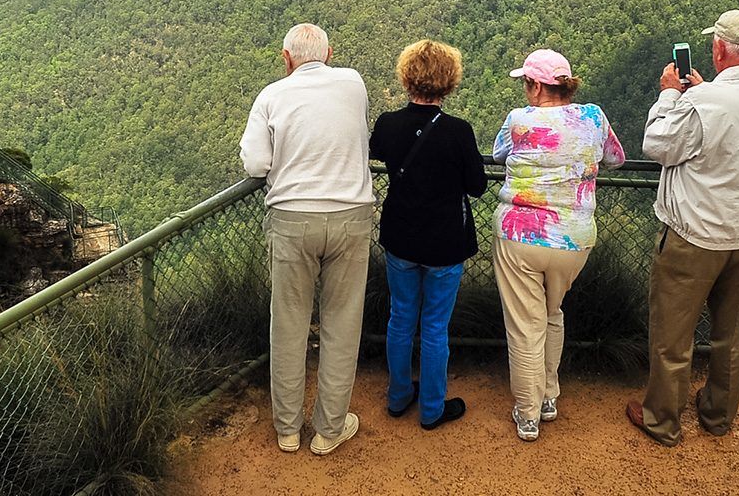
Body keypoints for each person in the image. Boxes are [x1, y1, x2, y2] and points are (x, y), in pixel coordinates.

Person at [627, 9, 739, 445]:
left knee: (672, 334)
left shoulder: (703, 102)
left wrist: (671, 95)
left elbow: (657, 145)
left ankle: (662, 420)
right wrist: (702, 94)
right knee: (732, 334)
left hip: (696, 235)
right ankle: (718, 415)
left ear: (719, 48)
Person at [239, 23, 374, 456]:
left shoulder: (271, 96)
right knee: (342, 324)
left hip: (292, 218)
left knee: (289, 323)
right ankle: (329, 430)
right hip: (351, 216)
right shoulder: (354, 83)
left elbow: (255, 164)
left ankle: (287, 428)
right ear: (329, 54)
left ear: (286, 58)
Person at [490, 48, 626, 441]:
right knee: (552, 313)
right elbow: (616, 158)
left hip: (520, 235)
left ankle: (528, 413)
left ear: (536, 86)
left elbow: (499, 154)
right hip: (574, 238)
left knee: (524, 327)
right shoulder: (593, 117)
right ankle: (549, 395)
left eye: (526, 83)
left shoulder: (519, 120)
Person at [370, 39, 487, 431]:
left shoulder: (388, 124)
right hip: (445, 242)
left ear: (407, 78)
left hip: (401, 237)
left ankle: (398, 396)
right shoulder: (458, 131)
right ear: (449, 82)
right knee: (435, 326)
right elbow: (477, 186)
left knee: (400, 318)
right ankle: (432, 409)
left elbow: (375, 150)